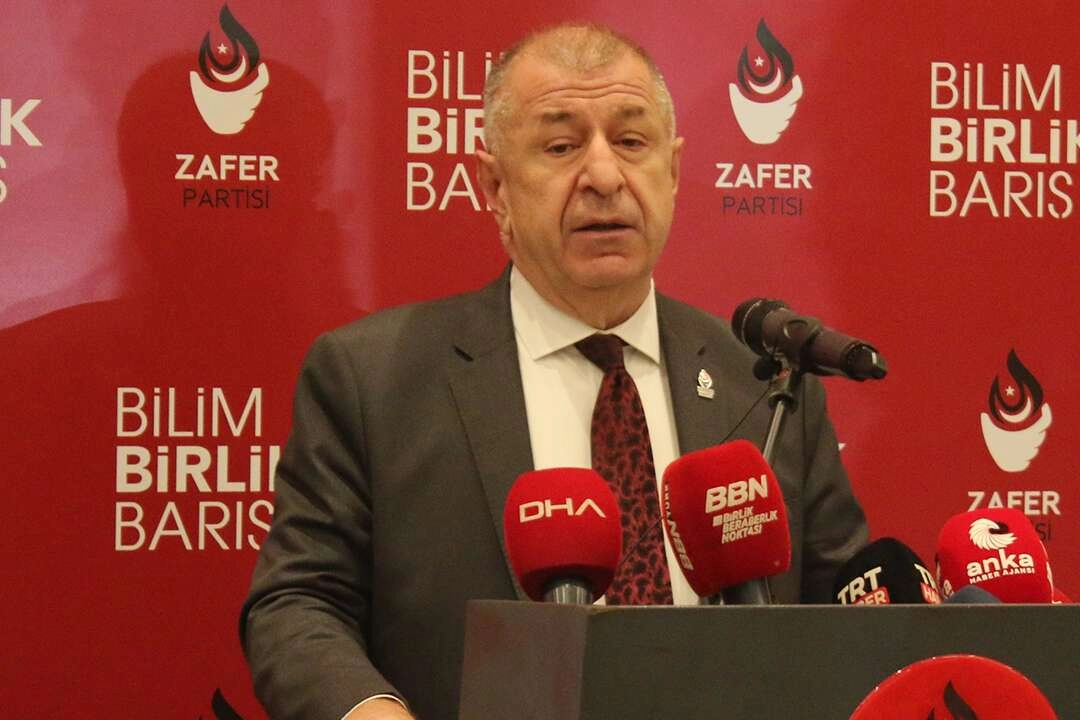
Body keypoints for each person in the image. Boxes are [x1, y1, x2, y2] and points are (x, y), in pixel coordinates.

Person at [241, 22, 867, 720]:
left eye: (631, 142)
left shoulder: (766, 383)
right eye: (562, 146)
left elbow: (845, 606)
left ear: (673, 171)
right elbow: (298, 604)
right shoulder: (373, 379)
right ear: (495, 186)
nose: (604, 177)